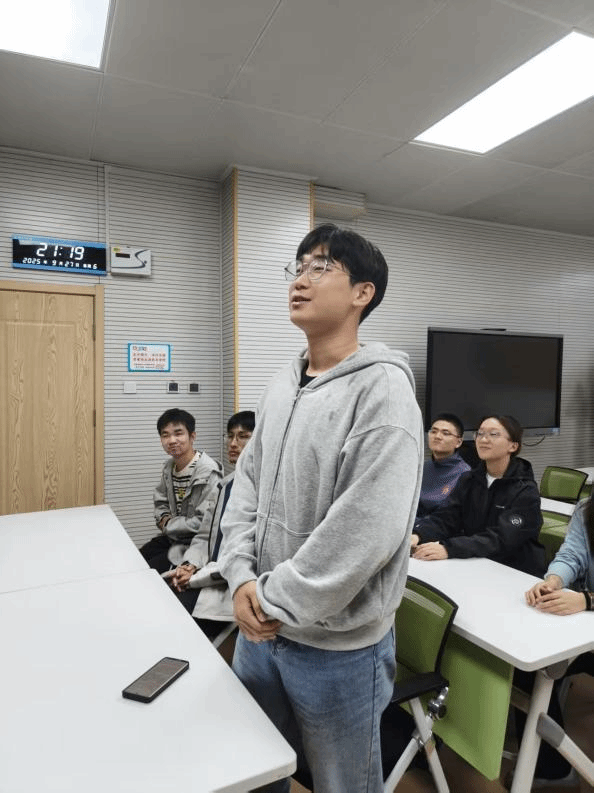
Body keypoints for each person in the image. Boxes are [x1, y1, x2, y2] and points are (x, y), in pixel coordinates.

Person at [218, 223, 424, 793]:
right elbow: (246, 487)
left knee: (344, 783)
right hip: (259, 628)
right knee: (256, 771)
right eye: (298, 266)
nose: (300, 280)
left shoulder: (383, 391)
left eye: (321, 267)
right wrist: (240, 578)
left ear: (363, 293)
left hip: (338, 650)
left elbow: (365, 531)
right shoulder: (282, 384)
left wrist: (271, 599)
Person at [412, 414, 545, 577]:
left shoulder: (525, 490)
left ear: (513, 446)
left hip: (515, 571)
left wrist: (449, 548)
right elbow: (446, 518)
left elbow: (502, 538)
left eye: (493, 434)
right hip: (475, 563)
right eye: (480, 434)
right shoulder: (469, 479)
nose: (483, 439)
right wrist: (418, 535)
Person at [164, 410, 255, 640]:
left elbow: (244, 554)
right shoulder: (226, 486)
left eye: (243, 436)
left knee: (174, 617)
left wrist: (197, 577)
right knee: (162, 592)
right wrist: (190, 564)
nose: (233, 443)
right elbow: (205, 535)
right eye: (230, 436)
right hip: (206, 572)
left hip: (230, 583)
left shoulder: (262, 490)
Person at [139, 408, 223, 573]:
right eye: (165, 435)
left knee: (149, 572)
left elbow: (204, 522)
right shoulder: (168, 467)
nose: (172, 440)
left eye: (178, 433)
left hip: (196, 544)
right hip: (173, 538)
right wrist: (164, 519)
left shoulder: (209, 472)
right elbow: (160, 503)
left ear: (192, 436)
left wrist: (168, 525)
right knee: (136, 560)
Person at [417, 413, 470, 517]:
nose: (437, 436)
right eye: (433, 431)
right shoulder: (422, 468)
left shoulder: (465, 474)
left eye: (445, 433)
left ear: (458, 442)